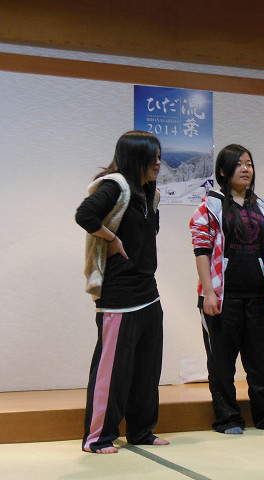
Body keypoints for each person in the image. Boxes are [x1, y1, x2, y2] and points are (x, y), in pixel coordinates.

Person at [75, 130, 170, 453]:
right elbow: (84, 214)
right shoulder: (115, 185)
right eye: (152, 158)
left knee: (147, 369)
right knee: (112, 371)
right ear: (135, 158)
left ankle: (141, 431)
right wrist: (111, 239)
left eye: (159, 157)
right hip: (119, 295)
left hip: (148, 291)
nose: (158, 164)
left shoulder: (149, 192)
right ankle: (98, 437)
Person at [189, 144, 264, 435]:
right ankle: (228, 419)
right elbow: (201, 251)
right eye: (239, 164)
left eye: (249, 163)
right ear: (223, 171)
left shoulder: (263, 207)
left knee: (263, 362)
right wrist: (209, 292)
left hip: (257, 295)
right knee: (222, 364)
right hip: (223, 298)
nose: (246, 169)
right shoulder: (210, 206)